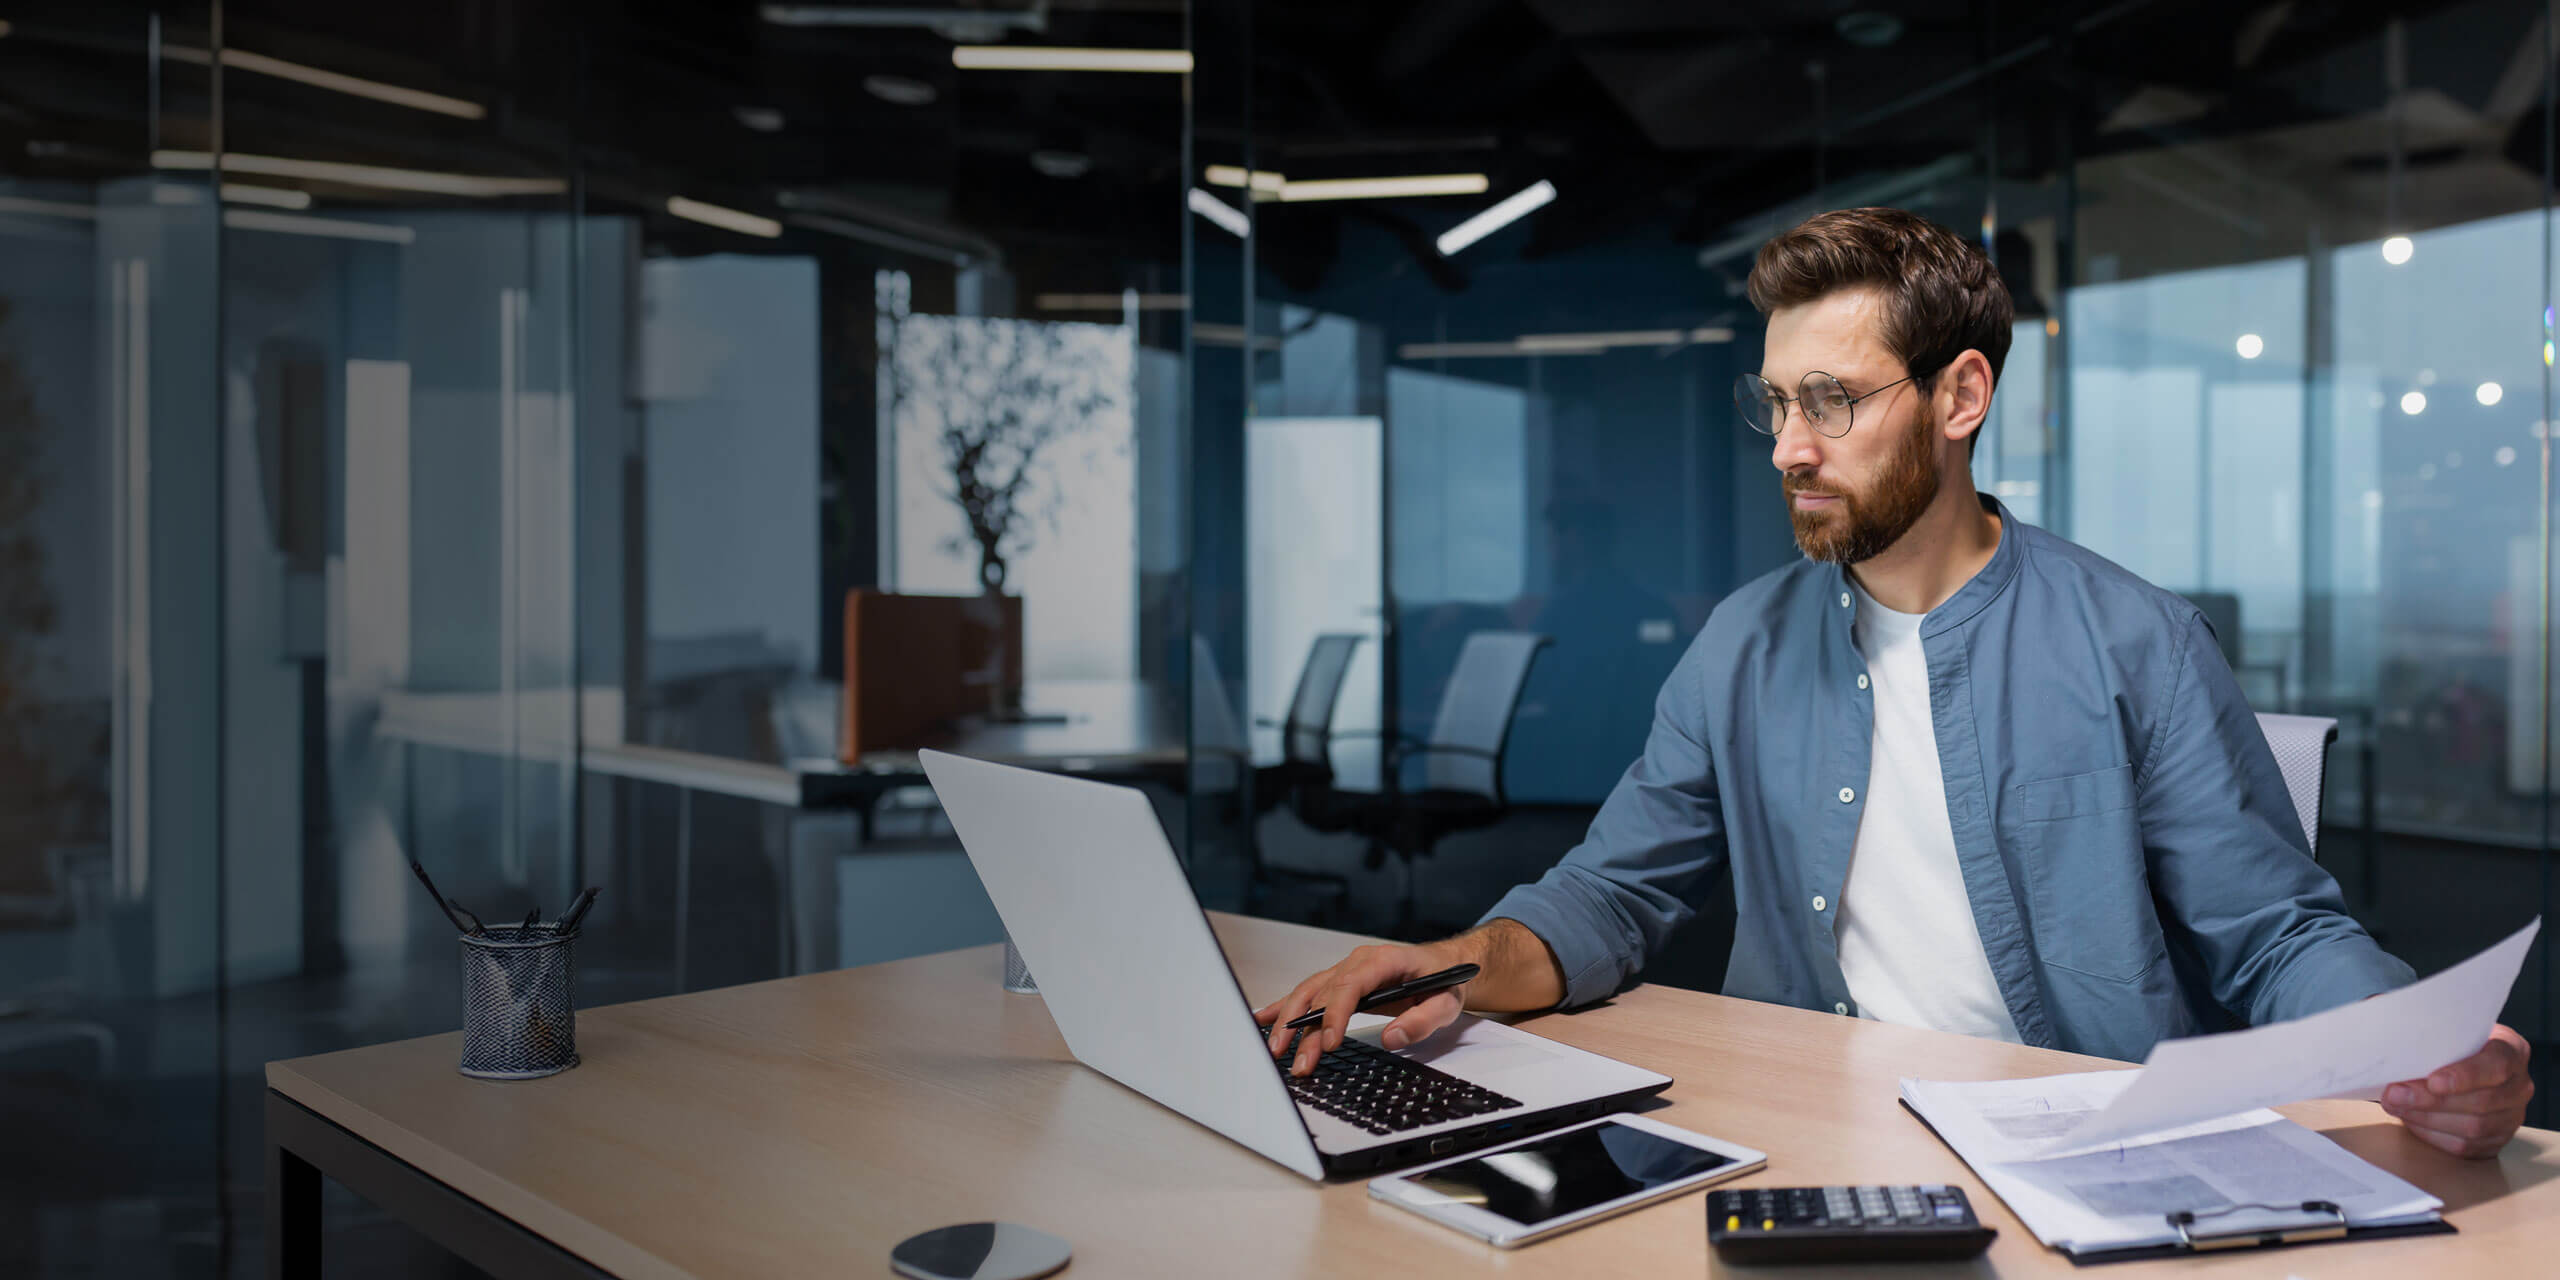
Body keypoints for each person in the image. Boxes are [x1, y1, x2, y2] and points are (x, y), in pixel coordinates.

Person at [1255, 207, 2533, 1159]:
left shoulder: (2136, 639)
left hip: (2079, 1147)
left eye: (1832, 401)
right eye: (1775, 405)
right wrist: (1454, 960)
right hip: (1799, 1130)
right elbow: (1611, 893)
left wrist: (2419, 1047)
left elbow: (2273, 933)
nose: (1791, 449)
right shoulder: (1740, 647)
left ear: (1959, 394)